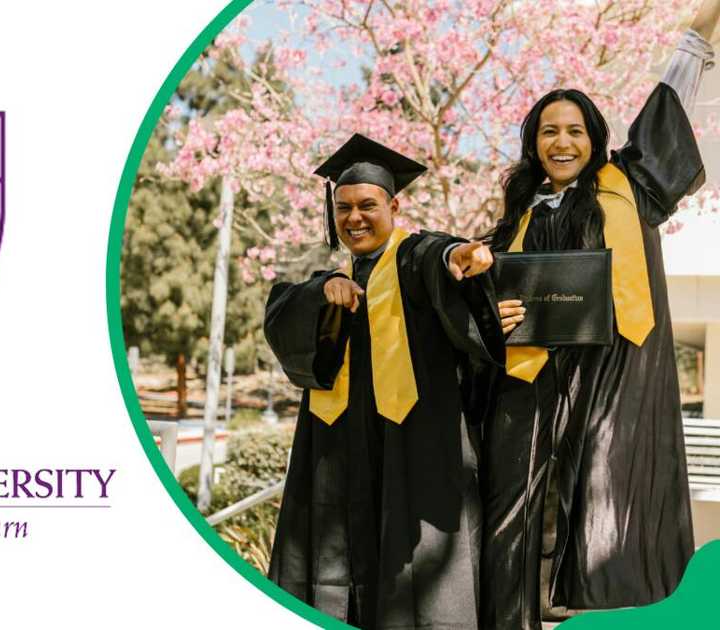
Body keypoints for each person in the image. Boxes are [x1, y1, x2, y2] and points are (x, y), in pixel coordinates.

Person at [480, 4, 720, 628]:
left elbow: (671, 102)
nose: (562, 143)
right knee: (524, 507)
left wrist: (699, 31)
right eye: (548, 132)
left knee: (610, 501)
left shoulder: (631, 187)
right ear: (533, 143)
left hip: (619, 376)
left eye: (576, 130)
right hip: (535, 384)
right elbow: (484, 297)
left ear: (596, 138)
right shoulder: (518, 219)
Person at [264, 134, 505, 629]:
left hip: (412, 450)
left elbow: (436, 255)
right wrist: (321, 293)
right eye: (343, 207)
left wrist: (457, 257)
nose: (354, 218)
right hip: (339, 454)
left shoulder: (415, 259)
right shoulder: (335, 278)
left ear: (394, 205)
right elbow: (283, 315)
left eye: (368, 205)